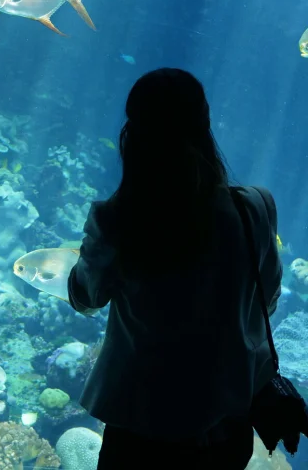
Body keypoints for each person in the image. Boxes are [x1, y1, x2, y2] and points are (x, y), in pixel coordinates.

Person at [67, 68, 283, 469]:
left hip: (140, 425)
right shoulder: (253, 206)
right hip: (226, 423)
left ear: (132, 132)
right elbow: (267, 300)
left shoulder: (118, 218)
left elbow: (87, 296)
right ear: (205, 124)